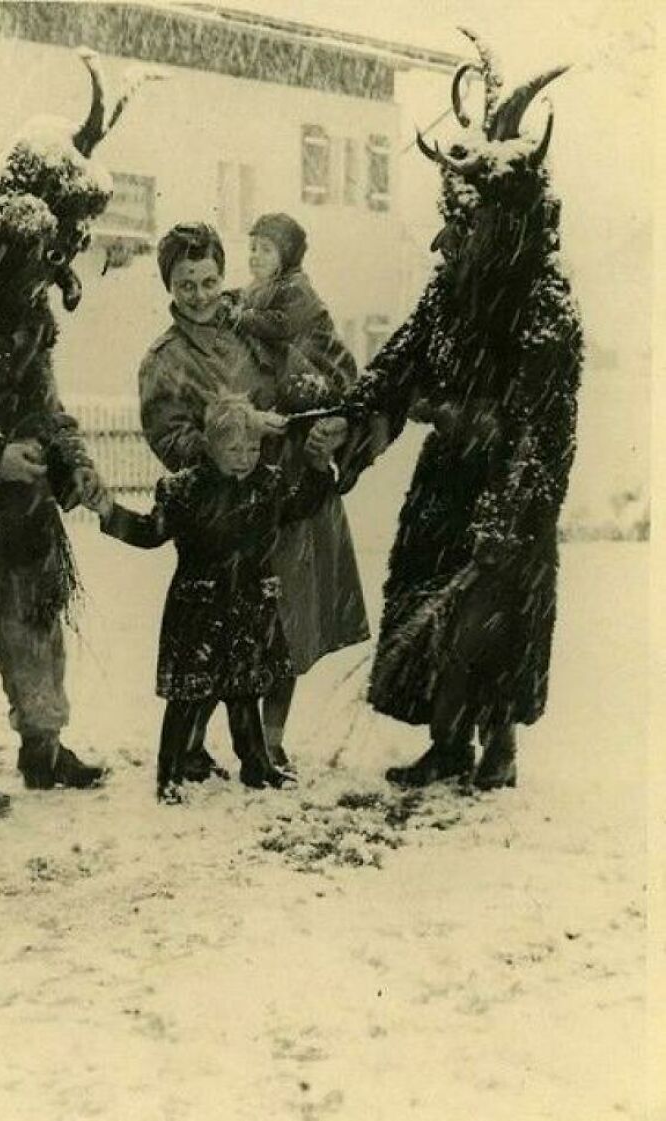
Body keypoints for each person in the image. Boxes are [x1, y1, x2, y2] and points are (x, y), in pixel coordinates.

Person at [305, 47, 582, 792]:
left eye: (467, 221)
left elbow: (541, 423)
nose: (450, 237)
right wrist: (356, 412)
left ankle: (500, 742)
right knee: (433, 603)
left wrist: (510, 501)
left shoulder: (544, 302)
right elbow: (401, 360)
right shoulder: (449, 293)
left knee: (496, 621)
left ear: (504, 221)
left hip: (508, 488)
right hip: (447, 481)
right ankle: (447, 739)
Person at [138, 222, 368, 774]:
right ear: (168, 285)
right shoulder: (164, 360)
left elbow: (314, 377)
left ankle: (270, 740)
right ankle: (190, 746)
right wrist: (235, 437)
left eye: (209, 279)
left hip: (280, 498)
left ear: (223, 275)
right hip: (220, 516)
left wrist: (324, 421)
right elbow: (170, 439)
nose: (200, 294)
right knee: (211, 631)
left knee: (277, 628)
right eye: (185, 283)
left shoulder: (253, 326)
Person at [86, 395, 335, 801]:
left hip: (249, 604)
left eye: (253, 448)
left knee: (243, 691)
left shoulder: (267, 485)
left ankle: (256, 766)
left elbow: (301, 505)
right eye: (234, 449)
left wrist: (319, 469)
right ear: (211, 445)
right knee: (187, 696)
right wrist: (108, 511)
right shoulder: (185, 490)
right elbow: (151, 532)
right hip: (198, 608)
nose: (245, 458)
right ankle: (169, 774)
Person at [227, 211, 357, 413]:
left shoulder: (297, 287)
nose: (255, 256)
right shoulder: (263, 285)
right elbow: (244, 298)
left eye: (266, 250)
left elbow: (283, 324)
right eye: (253, 249)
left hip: (325, 371)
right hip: (299, 370)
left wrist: (244, 318)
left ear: (286, 256)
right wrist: (228, 299)